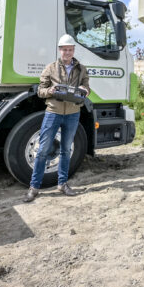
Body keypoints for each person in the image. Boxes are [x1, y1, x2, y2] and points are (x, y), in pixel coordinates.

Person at [24, 33, 90, 202]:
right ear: (60, 50)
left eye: (70, 49)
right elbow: (40, 91)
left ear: (73, 50)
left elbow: (87, 87)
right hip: (53, 112)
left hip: (73, 113)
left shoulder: (81, 69)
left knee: (66, 150)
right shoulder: (50, 68)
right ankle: (34, 187)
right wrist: (50, 91)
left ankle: (62, 184)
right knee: (43, 149)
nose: (67, 53)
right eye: (64, 49)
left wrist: (84, 89)